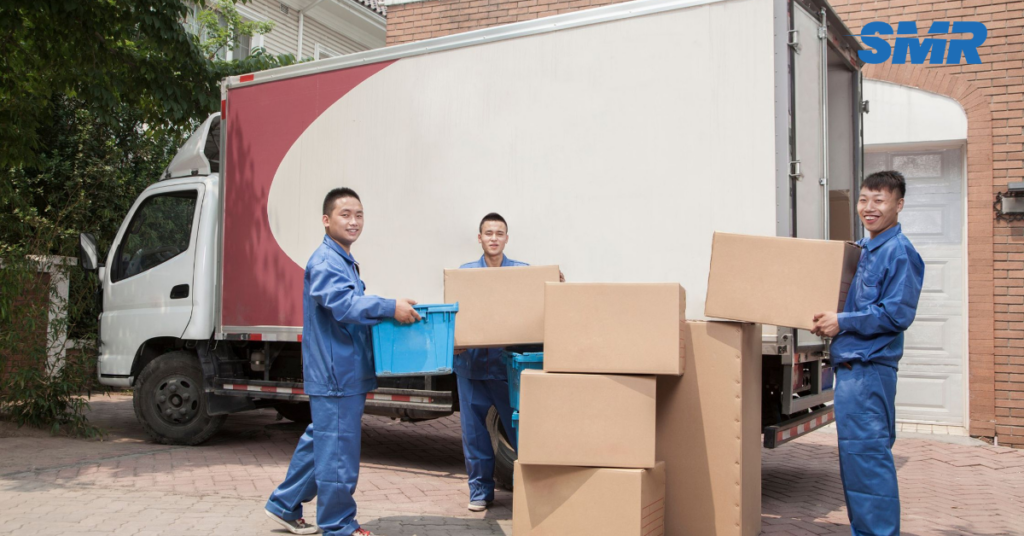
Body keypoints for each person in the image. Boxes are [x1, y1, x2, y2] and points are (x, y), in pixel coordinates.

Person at [265, 188, 420, 536]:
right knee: (337, 451)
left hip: (343, 370)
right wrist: (389, 307)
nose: (353, 221)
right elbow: (345, 305)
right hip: (336, 373)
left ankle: (284, 504)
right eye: (345, 214)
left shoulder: (341, 259)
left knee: (323, 441)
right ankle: (338, 525)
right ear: (326, 220)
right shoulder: (325, 262)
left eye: (359, 215)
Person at [811, 170, 924, 536]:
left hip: (869, 370)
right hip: (851, 369)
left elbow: (896, 314)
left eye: (879, 200)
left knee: (868, 460)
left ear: (898, 204)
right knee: (856, 463)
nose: (869, 207)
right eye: (863, 200)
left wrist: (842, 322)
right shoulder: (861, 249)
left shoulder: (900, 253)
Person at [454, 213, 563, 512]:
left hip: (508, 370)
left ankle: (532, 491)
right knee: (475, 435)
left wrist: (557, 283)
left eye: (499, 233)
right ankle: (480, 493)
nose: (493, 238)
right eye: (488, 233)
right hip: (472, 369)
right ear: (480, 238)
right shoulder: (465, 275)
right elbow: (456, 316)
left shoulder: (522, 273)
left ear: (506, 238)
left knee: (523, 432)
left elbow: (543, 299)